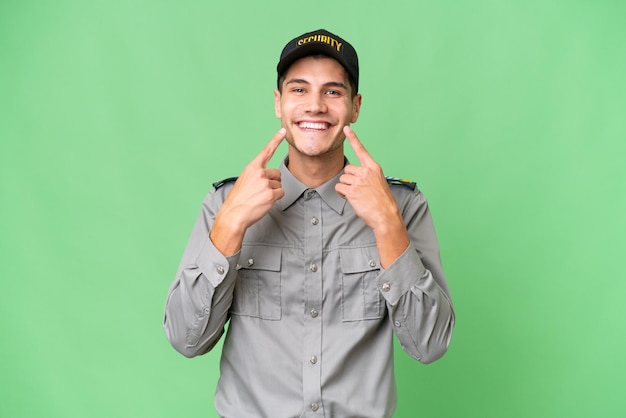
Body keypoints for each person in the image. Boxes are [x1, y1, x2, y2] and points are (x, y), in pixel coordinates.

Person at [163, 28, 455, 418]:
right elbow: (186, 339)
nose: (315, 106)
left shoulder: (401, 205)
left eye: (333, 91)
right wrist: (231, 224)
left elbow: (430, 345)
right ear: (278, 103)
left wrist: (388, 227)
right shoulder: (225, 202)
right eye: (299, 90)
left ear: (355, 107)